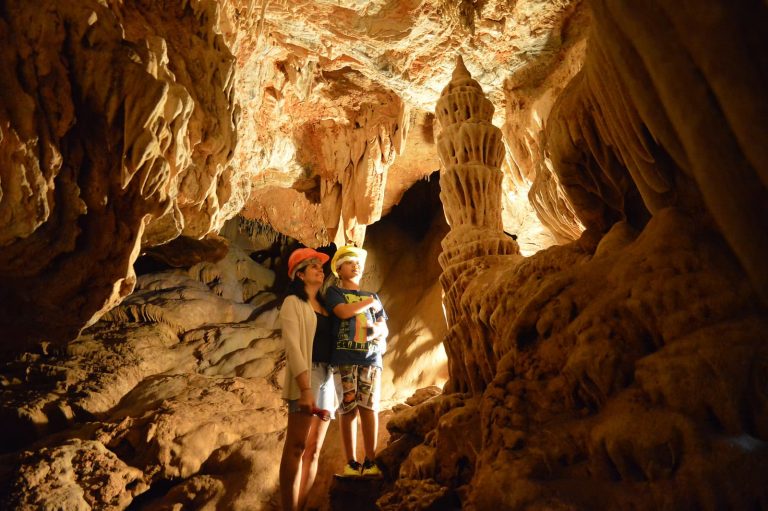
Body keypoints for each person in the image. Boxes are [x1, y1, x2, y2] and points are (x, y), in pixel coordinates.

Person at [279, 247, 336, 511]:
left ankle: (302, 507)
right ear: (299, 274)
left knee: (314, 449)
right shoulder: (293, 304)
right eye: (313, 266)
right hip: (307, 375)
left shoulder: (326, 308)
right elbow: (293, 347)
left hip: (327, 377)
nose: (319, 269)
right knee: (297, 446)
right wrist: (305, 388)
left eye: (320, 266)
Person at [326, 245, 388, 477]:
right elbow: (342, 312)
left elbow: (384, 325)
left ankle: (370, 460)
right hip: (344, 356)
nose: (356, 265)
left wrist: (377, 331)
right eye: (349, 262)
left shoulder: (374, 296)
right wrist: (368, 303)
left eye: (358, 262)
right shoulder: (335, 292)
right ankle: (351, 462)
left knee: (369, 407)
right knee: (348, 407)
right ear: (339, 270)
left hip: (371, 357)